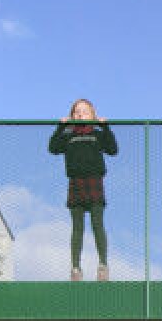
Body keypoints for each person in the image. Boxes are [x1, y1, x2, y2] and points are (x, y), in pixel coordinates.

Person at [47, 99, 118, 281]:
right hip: (75, 182)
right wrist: (60, 127)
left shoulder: (97, 133)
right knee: (77, 228)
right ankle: (76, 269)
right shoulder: (68, 135)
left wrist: (106, 128)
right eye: (76, 112)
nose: (80, 114)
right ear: (71, 116)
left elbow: (112, 149)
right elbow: (53, 148)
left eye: (85, 112)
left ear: (92, 115)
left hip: (94, 181)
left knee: (97, 224)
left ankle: (103, 265)